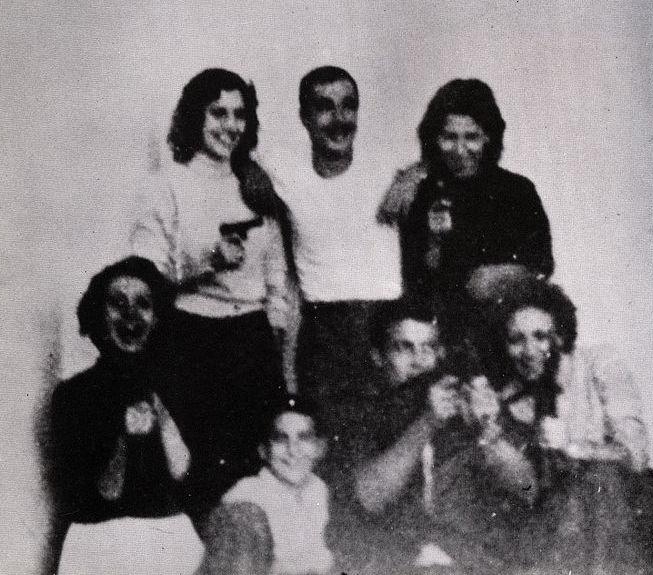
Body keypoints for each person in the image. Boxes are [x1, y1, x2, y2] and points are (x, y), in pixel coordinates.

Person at [130, 68, 292, 516]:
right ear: (194, 117)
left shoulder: (256, 184)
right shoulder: (167, 185)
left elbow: (276, 275)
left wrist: (272, 334)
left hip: (251, 343)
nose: (230, 125)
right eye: (218, 113)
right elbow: (143, 282)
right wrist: (208, 263)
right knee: (199, 478)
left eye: (240, 114)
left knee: (256, 472)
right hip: (190, 339)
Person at [475, 278, 653, 574]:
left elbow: (634, 455)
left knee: (596, 481)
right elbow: (529, 489)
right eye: (516, 340)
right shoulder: (509, 398)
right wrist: (491, 436)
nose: (530, 350)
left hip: (630, 508)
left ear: (560, 336)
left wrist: (571, 447)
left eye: (540, 336)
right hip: (567, 527)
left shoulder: (599, 364)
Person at [328, 299, 541, 575]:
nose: (419, 362)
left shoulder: (466, 401)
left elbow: (528, 491)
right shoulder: (362, 416)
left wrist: (490, 433)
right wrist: (427, 422)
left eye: (428, 348)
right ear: (378, 356)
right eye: (404, 348)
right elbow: (368, 498)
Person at [47, 256, 203, 575]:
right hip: (99, 543)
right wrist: (124, 440)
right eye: (118, 303)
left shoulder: (178, 387)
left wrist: (163, 422)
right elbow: (95, 498)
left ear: (157, 317)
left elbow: (187, 480)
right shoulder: (73, 394)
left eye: (143, 304)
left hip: (168, 539)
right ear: (99, 315)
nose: (131, 314)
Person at [268, 65, 403, 425]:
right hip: (324, 334)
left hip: (387, 326)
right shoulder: (284, 175)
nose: (340, 119)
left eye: (349, 106)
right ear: (305, 117)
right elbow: (242, 166)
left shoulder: (391, 169)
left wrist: (419, 174)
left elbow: (444, 162)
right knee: (329, 443)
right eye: (325, 107)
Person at [377, 78, 553, 310]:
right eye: (449, 137)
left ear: (488, 136)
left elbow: (542, 267)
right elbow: (417, 284)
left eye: (471, 137)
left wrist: (498, 277)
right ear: (435, 139)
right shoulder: (418, 191)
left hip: (504, 320)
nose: (460, 151)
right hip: (439, 322)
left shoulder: (517, 190)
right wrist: (435, 242)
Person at [195, 394, 335, 575]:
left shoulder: (317, 488)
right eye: (280, 439)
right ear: (264, 450)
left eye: (304, 437)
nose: (293, 450)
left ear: (319, 447)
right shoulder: (247, 496)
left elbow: (318, 557)